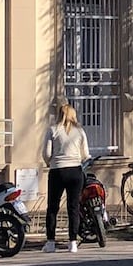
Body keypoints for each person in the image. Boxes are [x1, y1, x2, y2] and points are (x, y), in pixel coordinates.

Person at [41, 103, 89, 254]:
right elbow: (86, 154)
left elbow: (46, 153)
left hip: (57, 171)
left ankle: (50, 242)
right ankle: (72, 242)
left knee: (52, 207)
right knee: (73, 207)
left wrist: (50, 162)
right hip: (75, 171)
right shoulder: (80, 131)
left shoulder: (53, 130)